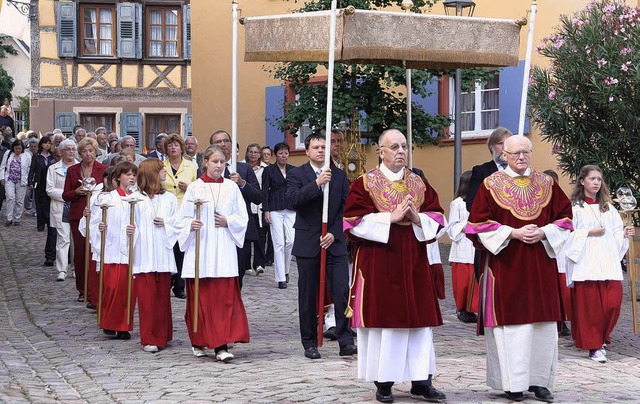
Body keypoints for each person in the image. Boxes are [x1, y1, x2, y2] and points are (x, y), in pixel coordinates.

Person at [465, 135, 573, 402]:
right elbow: (477, 224)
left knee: (543, 324)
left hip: (540, 264)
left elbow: (566, 218)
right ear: (504, 155)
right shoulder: (491, 185)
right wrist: (513, 233)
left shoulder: (547, 184)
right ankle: (512, 382)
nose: (522, 157)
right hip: (506, 264)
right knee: (512, 325)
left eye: (526, 152)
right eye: (516, 153)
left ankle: (539, 381)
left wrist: (545, 232)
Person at [344, 129, 446, 403]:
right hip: (380, 259)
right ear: (381, 151)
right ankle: (384, 381)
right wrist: (389, 218)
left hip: (413, 259)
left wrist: (416, 218)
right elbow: (352, 221)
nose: (401, 151)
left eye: (404, 146)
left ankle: (422, 380)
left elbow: (437, 215)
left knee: (419, 322)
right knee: (385, 321)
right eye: (394, 147)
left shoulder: (419, 183)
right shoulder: (364, 184)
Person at [287, 132, 356, 360]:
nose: (320, 150)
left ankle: (345, 339)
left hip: (333, 243)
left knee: (341, 290)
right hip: (308, 243)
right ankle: (309, 342)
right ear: (307, 151)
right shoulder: (297, 174)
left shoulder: (339, 175)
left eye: (324, 147)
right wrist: (316, 184)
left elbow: (345, 209)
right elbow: (293, 200)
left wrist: (334, 233)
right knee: (308, 294)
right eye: (316, 147)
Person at [178, 145, 250, 361]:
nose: (219, 166)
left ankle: (221, 345)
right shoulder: (194, 188)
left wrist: (228, 221)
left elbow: (243, 217)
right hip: (201, 249)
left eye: (222, 162)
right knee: (201, 299)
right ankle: (199, 340)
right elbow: (181, 219)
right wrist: (191, 224)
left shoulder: (231, 187)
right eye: (215, 162)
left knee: (224, 300)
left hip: (224, 249)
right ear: (205, 162)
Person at [563, 165, 634, 363]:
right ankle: (595, 346)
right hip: (587, 264)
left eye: (599, 179)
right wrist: (588, 232)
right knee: (591, 308)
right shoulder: (574, 208)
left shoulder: (609, 208)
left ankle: (602, 336)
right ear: (582, 181)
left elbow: (616, 233)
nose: (596, 182)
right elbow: (566, 235)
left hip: (608, 261)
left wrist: (624, 234)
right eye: (592, 178)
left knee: (613, 304)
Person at [132, 159, 179, 352]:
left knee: (162, 297)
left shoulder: (169, 198)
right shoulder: (135, 199)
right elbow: (130, 224)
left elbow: (177, 222)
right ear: (151, 173)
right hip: (144, 254)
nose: (165, 173)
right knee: (146, 298)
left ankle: (163, 334)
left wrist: (166, 222)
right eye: (161, 170)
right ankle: (149, 338)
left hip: (163, 252)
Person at [89, 161, 139, 340]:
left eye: (134, 174)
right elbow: (93, 222)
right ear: (118, 177)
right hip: (111, 250)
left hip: (129, 251)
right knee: (111, 287)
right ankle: (109, 322)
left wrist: (136, 230)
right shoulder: (107, 199)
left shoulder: (138, 199)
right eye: (128, 174)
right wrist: (100, 227)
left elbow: (143, 223)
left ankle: (124, 325)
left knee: (127, 290)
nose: (131, 177)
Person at [210, 130, 262, 287]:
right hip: (216, 229)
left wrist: (242, 183)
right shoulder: (207, 169)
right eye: (218, 142)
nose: (223, 144)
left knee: (237, 273)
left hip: (239, 230)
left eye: (226, 140)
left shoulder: (244, 169)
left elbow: (258, 197)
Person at [62, 138, 107, 303]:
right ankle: (82, 289)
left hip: (96, 215)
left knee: (94, 251)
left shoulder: (103, 169)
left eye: (91, 151)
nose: (88, 154)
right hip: (78, 214)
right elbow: (65, 194)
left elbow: (108, 191)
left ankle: (94, 289)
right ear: (80, 153)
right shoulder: (73, 170)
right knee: (80, 253)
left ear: (96, 152)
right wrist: (77, 191)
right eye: (84, 151)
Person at [162, 133, 198, 299]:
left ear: (182, 148)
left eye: (176, 145)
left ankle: (180, 285)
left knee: (182, 247)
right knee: (169, 246)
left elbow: (199, 188)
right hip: (167, 211)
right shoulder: (161, 166)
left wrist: (188, 187)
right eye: (170, 145)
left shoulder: (191, 166)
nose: (173, 148)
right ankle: (168, 280)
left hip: (185, 210)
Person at [446, 170, 479, 323]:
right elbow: (451, 228)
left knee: (476, 279)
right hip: (462, 247)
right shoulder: (457, 204)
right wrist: (467, 227)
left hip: (476, 246)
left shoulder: (479, 202)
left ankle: (474, 308)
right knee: (463, 282)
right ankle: (462, 309)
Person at [262, 141, 295, 289]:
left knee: (291, 241)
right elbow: (265, 191)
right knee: (279, 243)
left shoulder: (294, 170)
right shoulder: (269, 171)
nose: (283, 156)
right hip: (275, 209)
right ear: (276, 155)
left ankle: (286, 270)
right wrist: (266, 210)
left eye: (286, 153)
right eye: (281, 153)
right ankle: (281, 278)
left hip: (291, 209)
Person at [543, 169, 571, 337]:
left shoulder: (563, 202)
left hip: (561, 249)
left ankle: (562, 322)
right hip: (545, 248)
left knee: (562, 289)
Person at [47, 139, 78, 281]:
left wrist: (75, 194)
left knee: (77, 240)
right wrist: (69, 194)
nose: (71, 152)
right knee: (63, 239)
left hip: (77, 206)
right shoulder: (53, 168)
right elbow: (50, 189)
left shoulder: (80, 167)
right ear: (62, 151)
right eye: (68, 149)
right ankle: (61, 270)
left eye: (73, 149)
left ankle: (77, 269)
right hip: (61, 206)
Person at [28, 137, 58, 265]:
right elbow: (33, 169)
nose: (47, 145)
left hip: (51, 186)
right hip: (40, 185)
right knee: (42, 209)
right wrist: (31, 181)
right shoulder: (37, 156)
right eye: (45, 143)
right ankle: (42, 221)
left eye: (49, 143)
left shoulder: (52, 156)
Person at [241, 143, 268, 276]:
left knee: (260, 236)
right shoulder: (241, 166)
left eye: (256, 152)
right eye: (251, 152)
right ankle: (246, 264)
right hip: (246, 206)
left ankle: (258, 263)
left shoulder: (264, 168)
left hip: (259, 207)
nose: (253, 154)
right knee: (246, 237)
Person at [0, 139, 31, 226]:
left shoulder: (27, 155)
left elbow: (29, 168)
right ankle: (9, 218)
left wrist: (29, 179)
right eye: (16, 148)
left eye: (19, 148)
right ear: (13, 148)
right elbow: (2, 166)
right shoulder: (8, 153)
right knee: (10, 197)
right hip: (9, 179)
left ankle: (17, 218)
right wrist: (2, 178)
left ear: (22, 148)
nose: (17, 150)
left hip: (21, 180)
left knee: (19, 200)